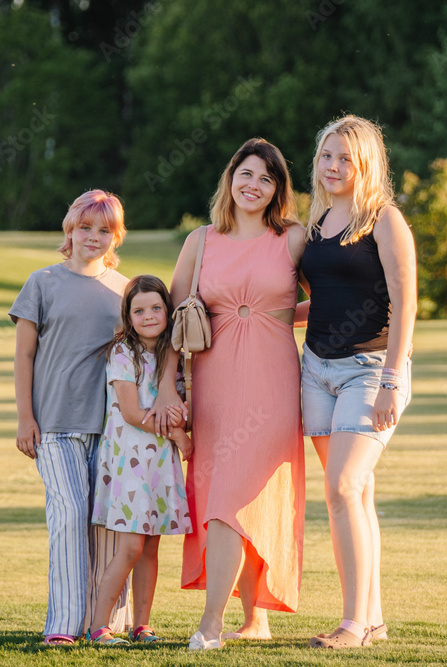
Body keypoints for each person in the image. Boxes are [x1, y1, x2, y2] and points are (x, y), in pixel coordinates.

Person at [169, 138, 307, 650]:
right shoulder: (201, 241)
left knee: (236, 495)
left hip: (271, 384)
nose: (254, 185)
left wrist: (277, 315)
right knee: (221, 493)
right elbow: (171, 321)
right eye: (246, 174)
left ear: (277, 190)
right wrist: (168, 390)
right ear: (230, 179)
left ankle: (210, 625)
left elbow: (331, 296)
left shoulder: (292, 239)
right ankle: (256, 619)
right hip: (212, 386)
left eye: (266, 179)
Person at [298, 115, 416, 649]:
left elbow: (406, 301)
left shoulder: (384, 219)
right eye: (326, 155)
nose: (333, 166)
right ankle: (372, 618)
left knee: (343, 486)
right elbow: (322, 299)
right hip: (316, 369)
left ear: (365, 162)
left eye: (345, 157)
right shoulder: (317, 222)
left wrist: (393, 378)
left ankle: (352, 625)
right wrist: (260, 313)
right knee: (353, 496)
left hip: (369, 371)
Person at [10, 190, 134, 646]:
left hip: (113, 431)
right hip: (55, 426)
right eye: (85, 227)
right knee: (69, 514)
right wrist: (26, 419)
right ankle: (63, 624)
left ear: (116, 236)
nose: (93, 237)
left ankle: (105, 623)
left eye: (104, 230)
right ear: (69, 229)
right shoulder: (41, 283)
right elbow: (25, 356)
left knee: (105, 524)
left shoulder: (124, 291)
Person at [87, 275, 194, 645]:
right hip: (128, 463)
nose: (148, 316)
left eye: (155, 308)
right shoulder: (122, 354)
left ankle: (141, 625)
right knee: (131, 546)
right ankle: (99, 626)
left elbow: (183, 406)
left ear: (167, 310)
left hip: (160, 463)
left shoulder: (174, 357)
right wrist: (178, 434)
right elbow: (132, 412)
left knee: (151, 547)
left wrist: (183, 423)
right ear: (128, 316)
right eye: (139, 310)